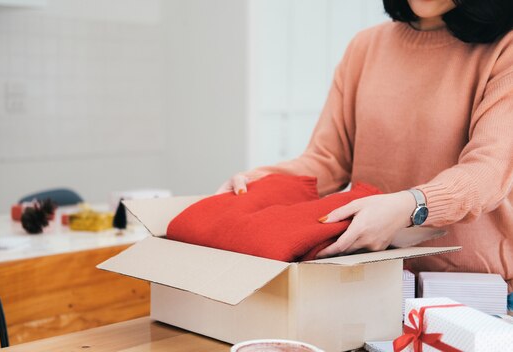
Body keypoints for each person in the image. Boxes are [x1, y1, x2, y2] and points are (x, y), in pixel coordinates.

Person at [218, 0, 513, 309]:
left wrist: (410, 206)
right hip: (373, 286)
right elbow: (327, 161)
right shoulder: (366, 46)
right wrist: (261, 181)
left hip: (478, 300)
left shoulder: (504, 48)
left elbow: (488, 172)